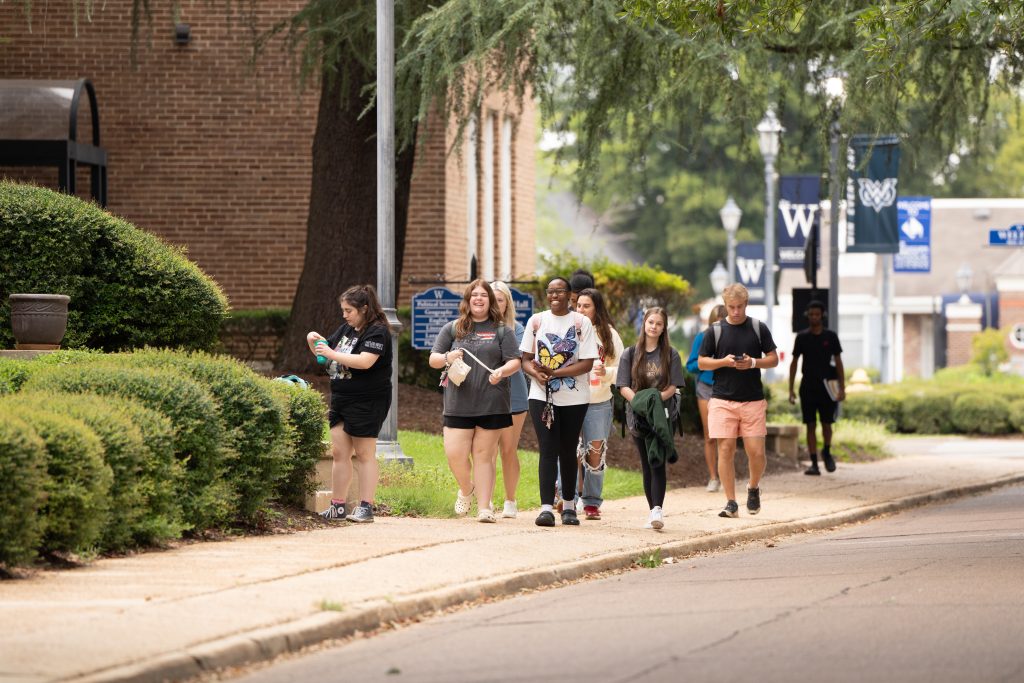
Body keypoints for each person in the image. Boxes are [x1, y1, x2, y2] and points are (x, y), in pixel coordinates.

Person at [430, 280, 522, 522]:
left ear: (490, 301)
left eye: (484, 295)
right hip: (458, 403)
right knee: (455, 454)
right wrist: (448, 357)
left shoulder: (502, 331)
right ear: (468, 300)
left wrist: (502, 371)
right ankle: (466, 488)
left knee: (483, 455)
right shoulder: (453, 328)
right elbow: (433, 359)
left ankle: (484, 508)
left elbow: (515, 361)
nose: (479, 299)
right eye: (474, 295)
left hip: (492, 402)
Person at [307, 284, 393, 523]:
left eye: (349, 311)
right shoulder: (347, 329)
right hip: (342, 398)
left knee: (364, 453)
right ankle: (337, 506)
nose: (344, 315)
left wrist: (331, 353)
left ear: (364, 308)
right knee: (339, 452)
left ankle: (366, 507)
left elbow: (365, 361)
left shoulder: (377, 332)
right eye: (343, 310)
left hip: (368, 400)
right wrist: (313, 340)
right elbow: (326, 354)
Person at [521, 276, 597, 527]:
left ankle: (569, 507)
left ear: (569, 295)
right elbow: (525, 359)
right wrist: (536, 374)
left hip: (575, 398)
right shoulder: (536, 321)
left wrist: (554, 372)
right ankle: (545, 509)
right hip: (541, 396)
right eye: (550, 291)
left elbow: (587, 363)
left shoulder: (581, 322)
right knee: (547, 449)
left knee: (568, 449)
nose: (554, 295)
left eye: (560, 291)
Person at [697, 283, 778, 519]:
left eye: (740, 307)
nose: (735, 311)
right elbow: (702, 362)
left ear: (746, 304)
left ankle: (753, 487)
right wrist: (724, 362)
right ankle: (731, 502)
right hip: (722, 398)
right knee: (725, 449)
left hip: (752, 399)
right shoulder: (715, 331)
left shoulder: (758, 328)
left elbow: (773, 359)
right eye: (731, 307)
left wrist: (753, 362)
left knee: (757, 452)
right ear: (725, 305)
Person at [616, 307, 685, 530]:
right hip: (638, 416)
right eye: (651, 322)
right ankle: (651, 510)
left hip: (663, 415)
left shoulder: (671, 354)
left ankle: (657, 510)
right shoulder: (630, 353)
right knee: (646, 463)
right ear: (644, 323)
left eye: (659, 324)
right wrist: (641, 403)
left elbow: (673, 386)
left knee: (658, 461)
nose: (654, 327)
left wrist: (655, 400)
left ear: (664, 328)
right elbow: (623, 386)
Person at [575, 287, 624, 520]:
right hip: (570, 399)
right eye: (578, 305)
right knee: (570, 451)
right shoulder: (569, 330)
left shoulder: (609, 335)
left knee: (595, 453)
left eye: (587, 306)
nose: (581, 310)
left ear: (597, 309)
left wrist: (607, 373)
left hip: (599, 401)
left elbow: (623, 370)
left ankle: (592, 502)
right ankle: (567, 498)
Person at [788, 300, 846, 475]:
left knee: (827, 424)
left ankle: (826, 452)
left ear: (822, 316)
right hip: (808, 387)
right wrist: (791, 389)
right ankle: (814, 463)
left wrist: (842, 387)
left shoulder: (831, 336)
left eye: (817, 314)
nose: (814, 317)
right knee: (810, 425)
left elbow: (839, 362)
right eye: (811, 314)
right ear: (808, 316)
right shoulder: (802, 337)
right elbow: (794, 362)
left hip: (827, 387)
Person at [490, 280, 529, 518]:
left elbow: (517, 360)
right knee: (486, 451)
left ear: (507, 304)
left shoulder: (518, 329)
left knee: (508, 449)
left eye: (500, 300)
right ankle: (486, 500)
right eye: (492, 300)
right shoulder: (476, 328)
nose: (495, 305)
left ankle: (510, 500)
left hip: (514, 395)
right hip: (485, 395)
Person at [686, 304, 727, 493]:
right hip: (706, 388)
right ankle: (713, 477)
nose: (719, 326)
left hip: (727, 388)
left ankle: (726, 475)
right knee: (709, 435)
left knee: (726, 436)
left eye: (723, 322)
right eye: (716, 322)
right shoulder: (702, 337)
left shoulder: (733, 338)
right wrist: (709, 362)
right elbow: (691, 365)